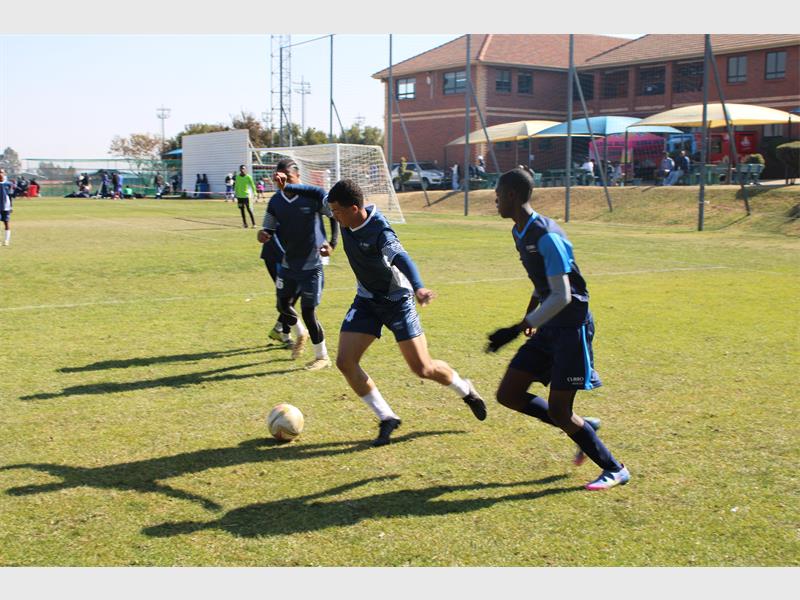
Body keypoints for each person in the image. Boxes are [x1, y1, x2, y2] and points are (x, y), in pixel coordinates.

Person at [487, 166, 630, 491]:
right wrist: (530, 315)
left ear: (511, 195)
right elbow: (542, 282)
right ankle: (584, 427)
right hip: (548, 327)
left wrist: (519, 327)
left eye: (497, 195)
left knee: (560, 411)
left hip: (570, 329)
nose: (495, 200)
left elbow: (563, 295)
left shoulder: (547, 236)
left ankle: (615, 468)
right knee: (508, 394)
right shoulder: (519, 232)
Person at [325, 178, 487, 446]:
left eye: (337, 212)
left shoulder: (380, 231)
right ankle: (387, 417)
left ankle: (465, 389)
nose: (333, 216)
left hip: (397, 302)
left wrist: (419, 287)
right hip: (366, 300)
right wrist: (287, 188)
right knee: (345, 361)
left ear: (354, 209)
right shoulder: (342, 213)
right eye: (331, 211)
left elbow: (402, 258)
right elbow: (314, 196)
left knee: (423, 368)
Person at [257, 158, 339, 370]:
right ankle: (300, 333)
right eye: (279, 178)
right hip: (288, 264)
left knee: (308, 311)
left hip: (312, 264)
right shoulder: (276, 201)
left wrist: (332, 243)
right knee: (282, 305)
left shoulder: (313, 195)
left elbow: (334, 216)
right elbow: (268, 227)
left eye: (287, 177)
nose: (282, 181)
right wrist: (263, 234)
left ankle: (322, 356)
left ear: (298, 176)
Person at [0, 168, 14, 246]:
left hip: (6, 207)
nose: (0, 174)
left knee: (6, 223)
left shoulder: (8, 184)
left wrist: (11, 206)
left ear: (4, 174)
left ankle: (6, 240)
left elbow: (10, 196)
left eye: (1, 172)